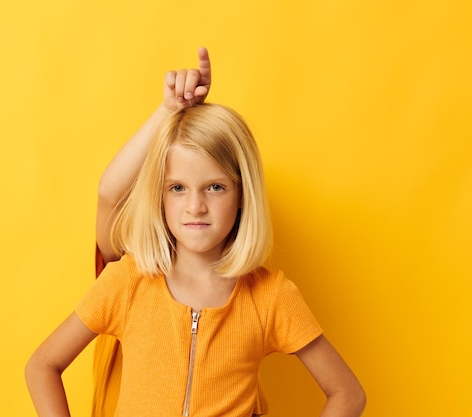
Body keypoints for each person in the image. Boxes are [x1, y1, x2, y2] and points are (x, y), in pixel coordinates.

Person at [25, 48, 366, 417]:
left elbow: (347, 393)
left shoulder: (271, 296)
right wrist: (169, 111)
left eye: (215, 187)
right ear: (160, 196)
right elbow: (42, 365)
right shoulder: (127, 280)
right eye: (177, 188)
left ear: (241, 195)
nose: (195, 206)